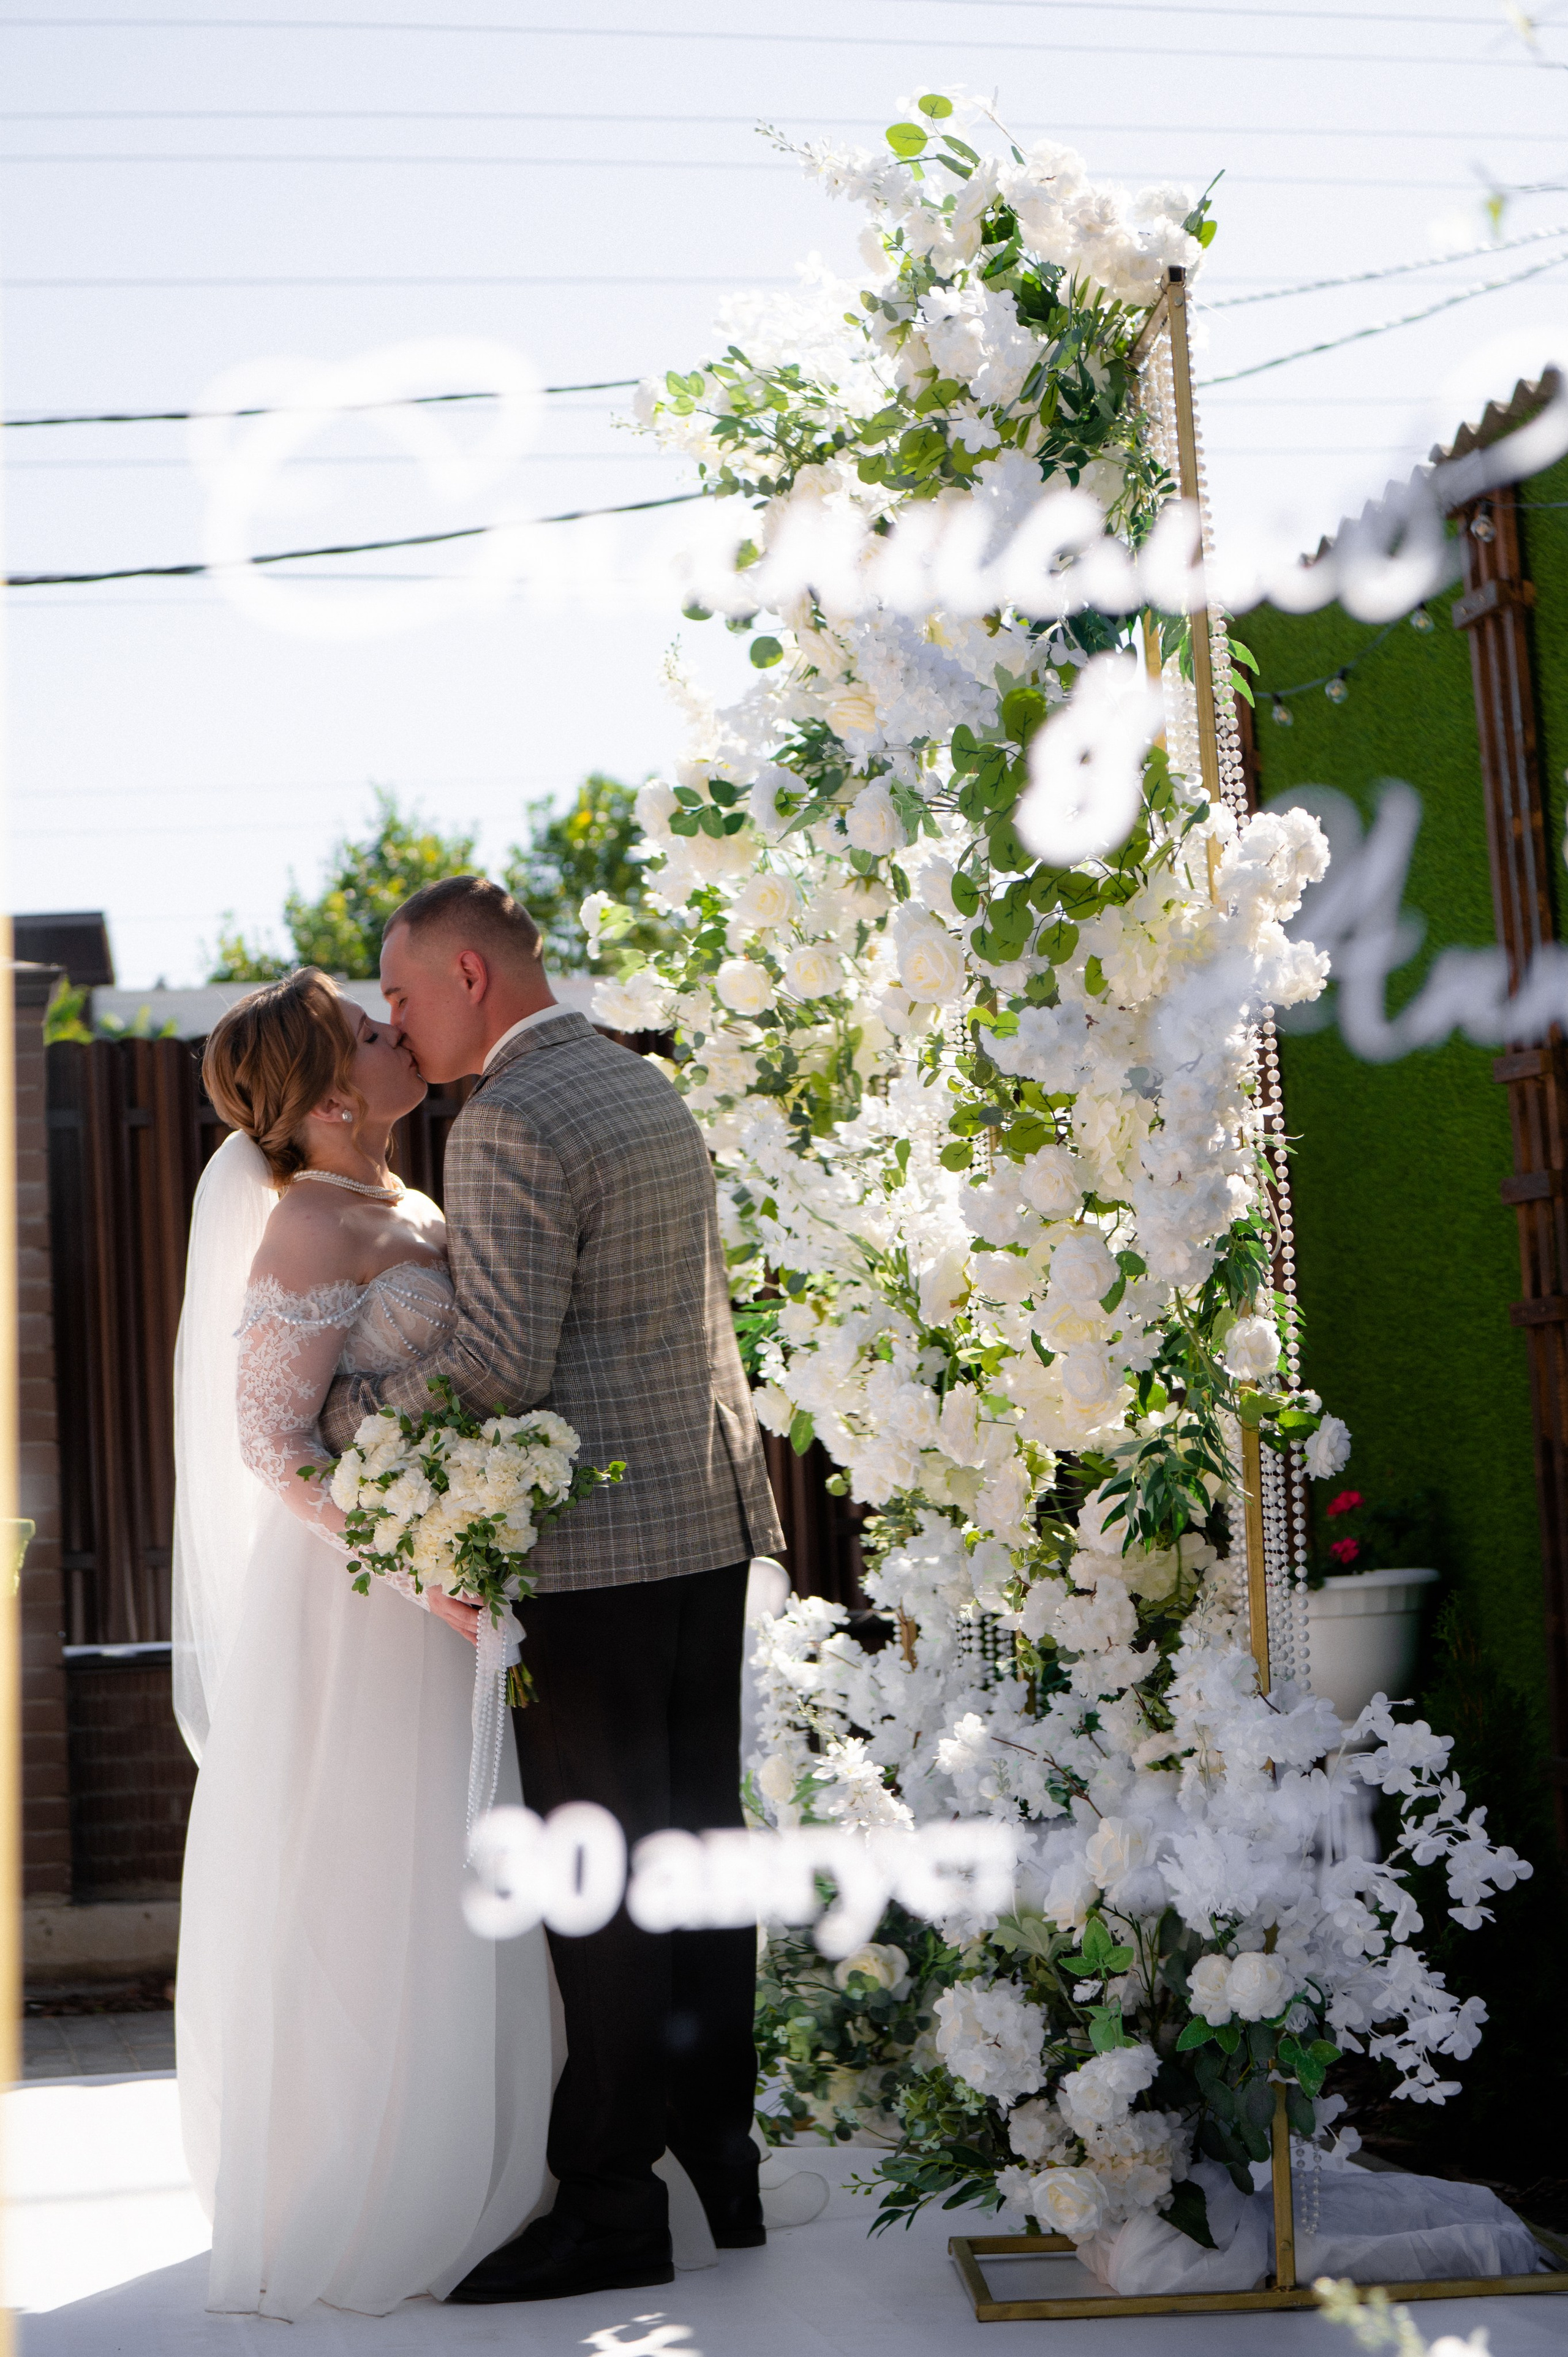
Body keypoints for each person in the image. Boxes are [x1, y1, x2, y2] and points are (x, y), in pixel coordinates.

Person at [317, 873, 785, 2304]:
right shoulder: (640, 1086)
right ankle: (721, 2156)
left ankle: (607, 2208)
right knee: (699, 1851)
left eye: (398, 994)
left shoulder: (510, 1117)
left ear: (468, 976)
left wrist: (348, 1415)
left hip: (596, 1560)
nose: (391, 1022)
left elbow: (503, 1366)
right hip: (705, 1524)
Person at [173, 967, 555, 2320]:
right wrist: (418, 1566)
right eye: (376, 1033)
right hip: (361, 1610)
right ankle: (374, 2174)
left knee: (463, 1859)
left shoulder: (406, 1199)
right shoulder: (306, 1232)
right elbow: (271, 1445)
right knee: (377, 1874)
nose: (405, 1037)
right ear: (334, 1095)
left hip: (444, 1588)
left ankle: (496, 2156)